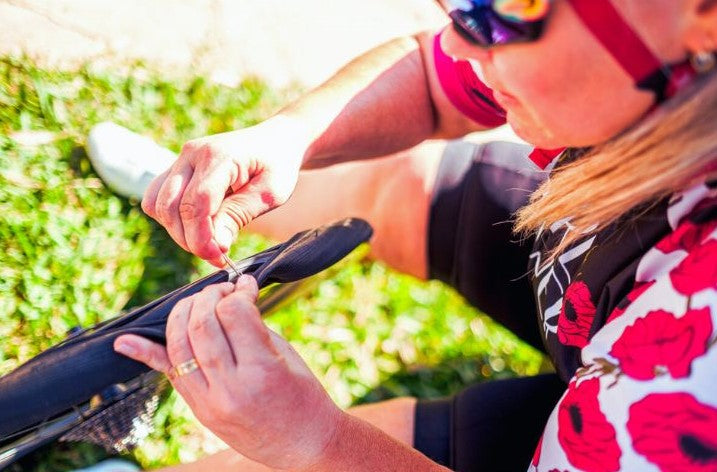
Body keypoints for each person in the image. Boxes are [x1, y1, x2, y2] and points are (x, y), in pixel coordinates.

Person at [104, 0, 717, 470]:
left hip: (657, 402)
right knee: (403, 182)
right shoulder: (646, 69)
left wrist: (315, 440)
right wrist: (289, 137)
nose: (457, 34)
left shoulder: (695, 374)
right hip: (616, 263)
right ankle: (191, 199)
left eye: (514, 5)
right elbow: (431, 75)